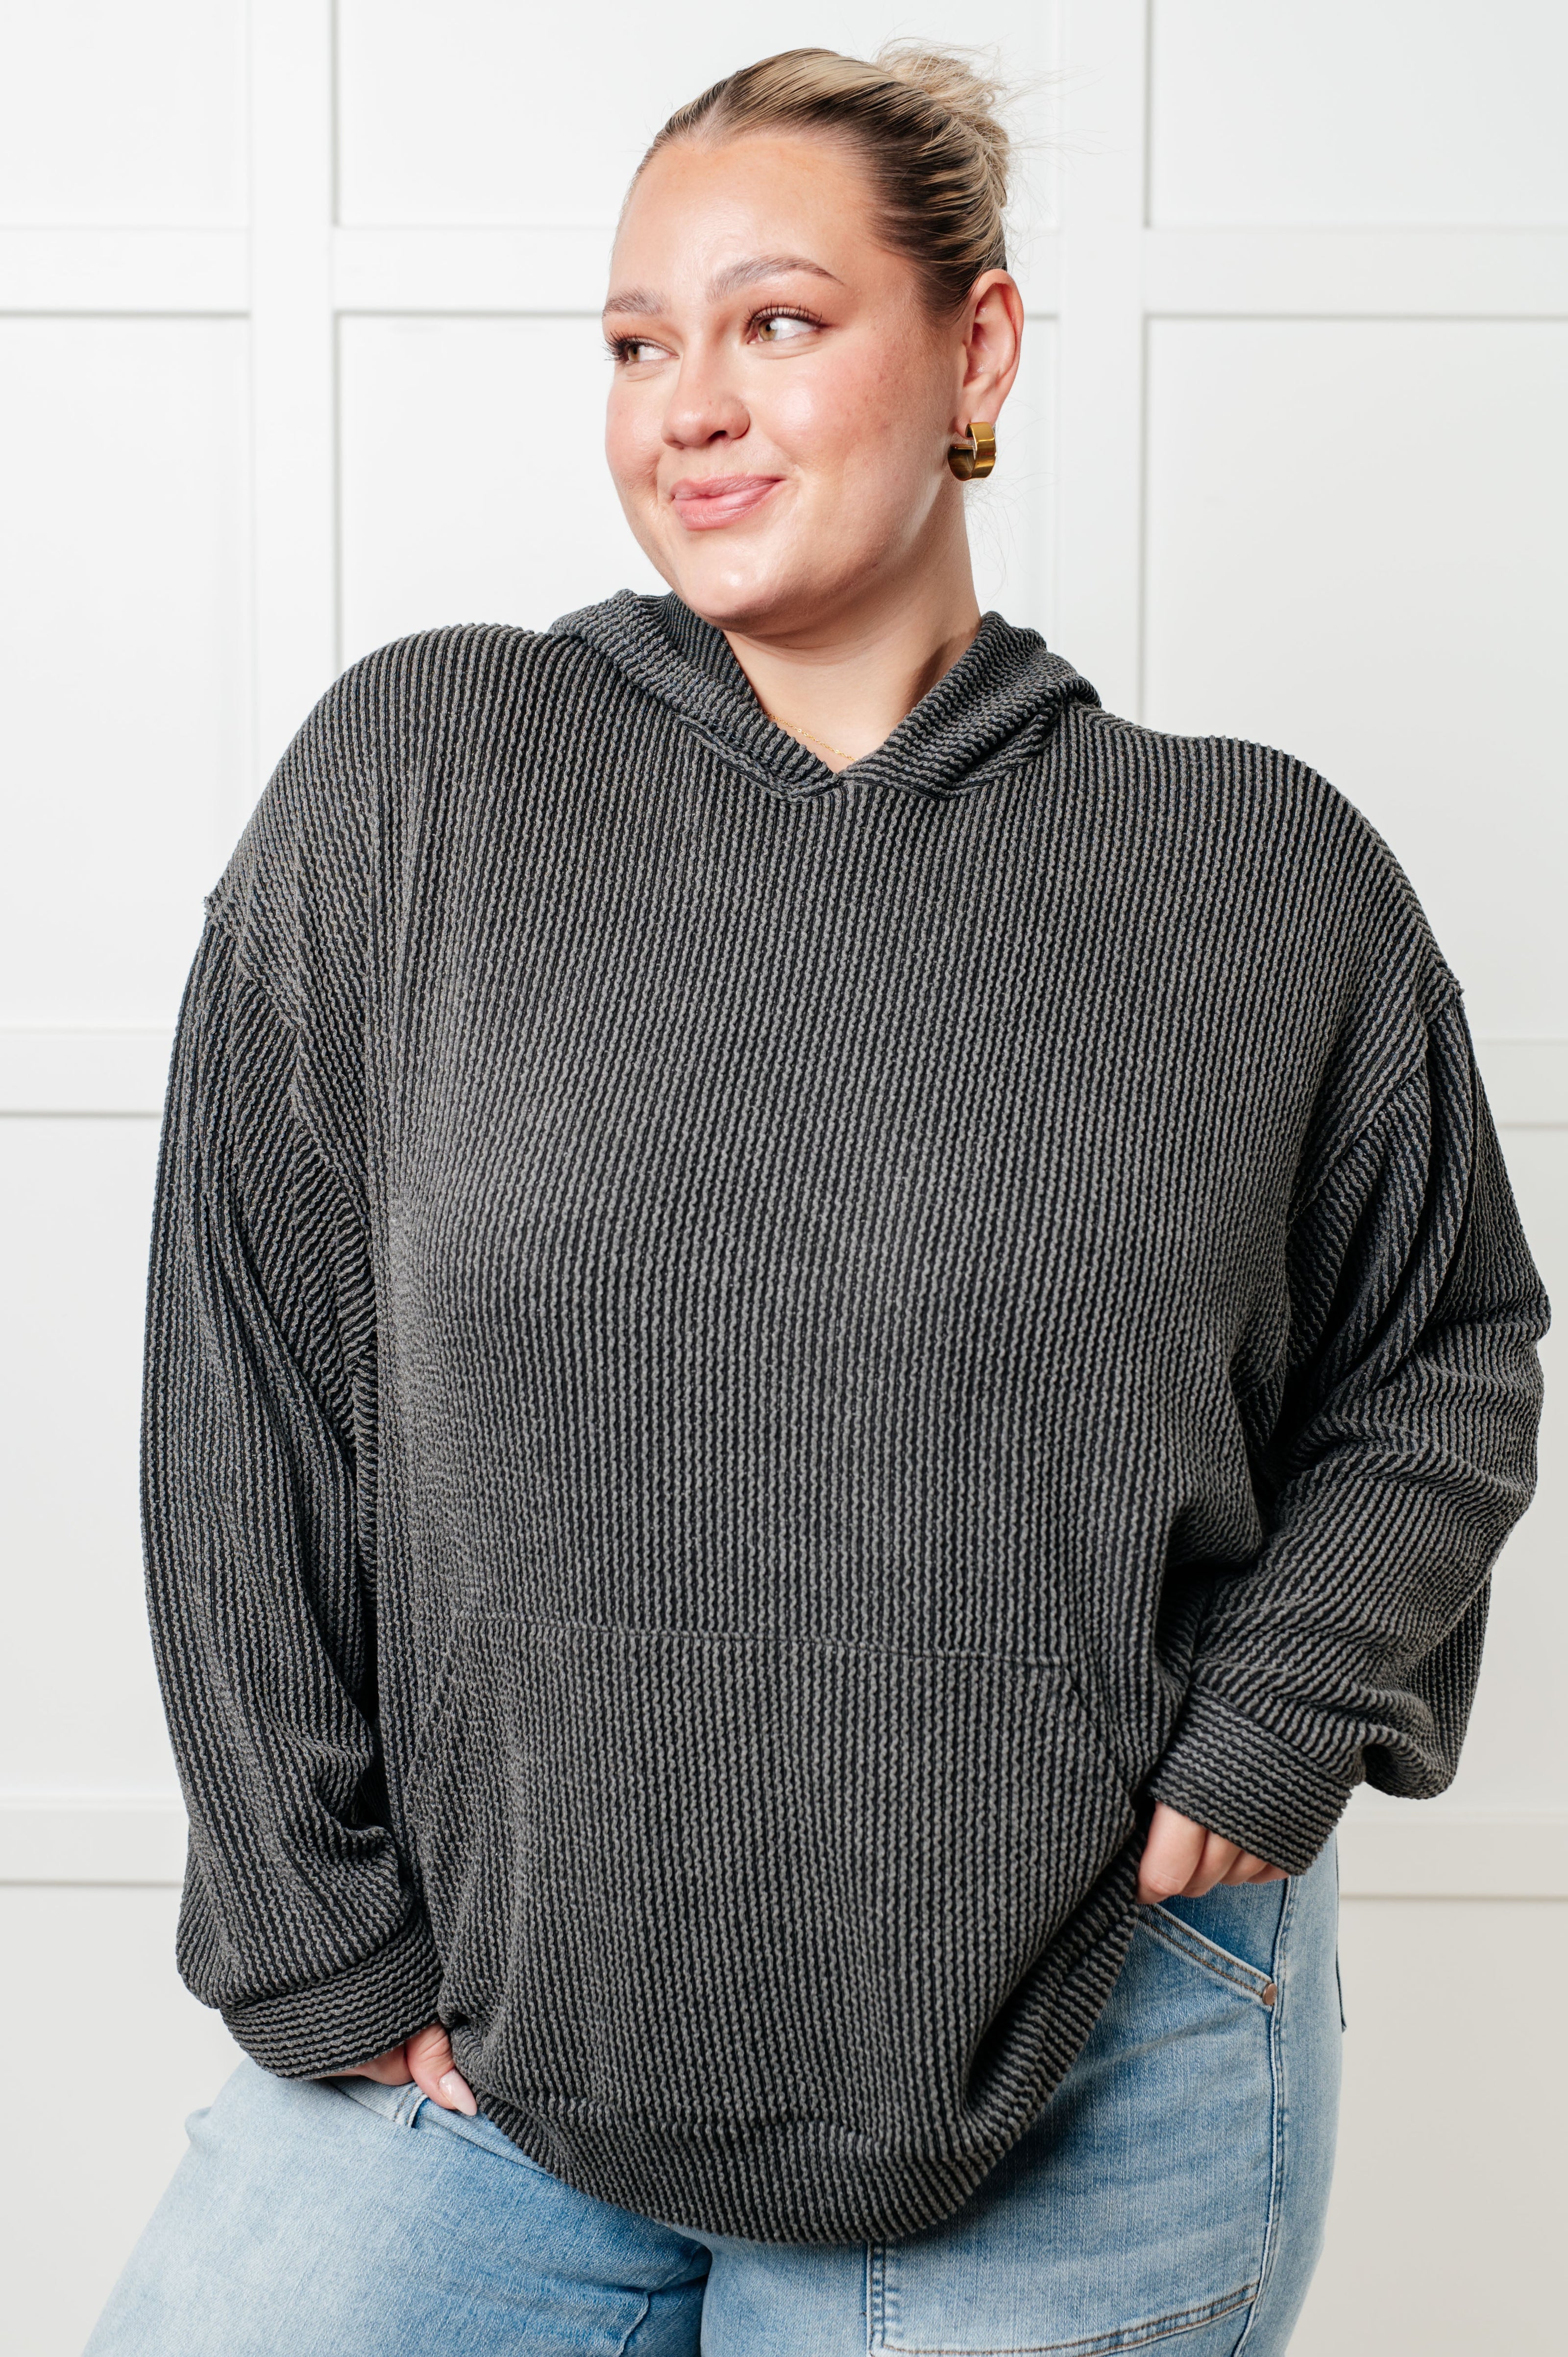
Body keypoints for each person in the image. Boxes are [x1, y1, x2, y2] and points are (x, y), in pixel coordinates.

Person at [88, 43, 1547, 2357]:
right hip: (467, 2053)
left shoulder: (1255, 876)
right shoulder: (426, 781)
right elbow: (241, 1369)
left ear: (975, 351)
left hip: (1083, 2047)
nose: (687, 406)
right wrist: (311, 1929)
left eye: (774, 322)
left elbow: (1442, 1350)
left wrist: (1282, 1705)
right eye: (634, 343)